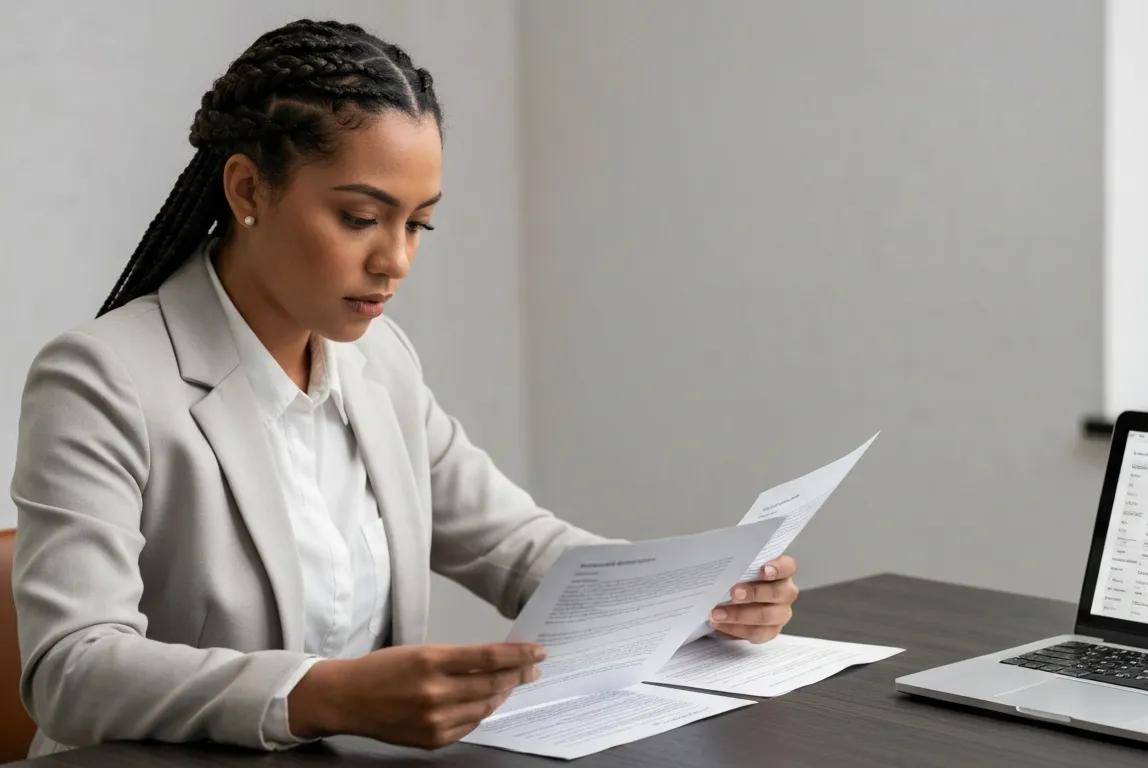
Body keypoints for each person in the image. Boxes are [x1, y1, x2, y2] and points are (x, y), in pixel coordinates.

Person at [10, 19, 800, 758]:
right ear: (248, 190)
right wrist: (319, 696)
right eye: (361, 217)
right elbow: (73, 670)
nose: (396, 261)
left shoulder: (377, 361)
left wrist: (699, 596)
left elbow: (517, 549)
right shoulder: (100, 379)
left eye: (418, 223)